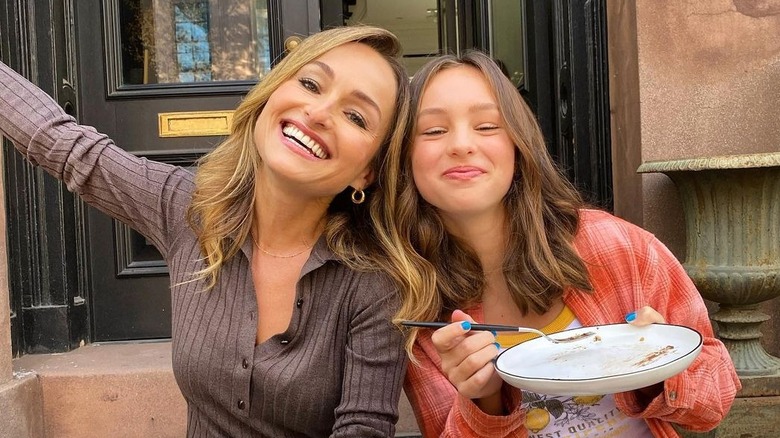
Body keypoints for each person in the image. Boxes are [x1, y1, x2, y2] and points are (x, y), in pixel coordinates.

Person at [0, 26, 411, 437]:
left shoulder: (375, 283)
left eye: (356, 116)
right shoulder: (189, 209)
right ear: (271, 95)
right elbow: (70, 148)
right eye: (309, 83)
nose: (319, 113)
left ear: (367, 171)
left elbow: (364, 428)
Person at [382, 51, 741, 437]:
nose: (462, 144)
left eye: (487, 126)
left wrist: (654, 369)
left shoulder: (617, 246)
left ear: (519, 146)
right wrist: (483, 400)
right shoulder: (419, 310)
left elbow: (717, 398)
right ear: (404, 157)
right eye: (433, 131)